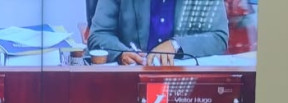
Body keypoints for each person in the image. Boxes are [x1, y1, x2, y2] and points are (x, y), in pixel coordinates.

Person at [87, 0, 229, 66]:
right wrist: (121, 53)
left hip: (184, 84)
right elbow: (98, 35)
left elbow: (218, 37)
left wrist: (175, 45)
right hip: (131, 80)